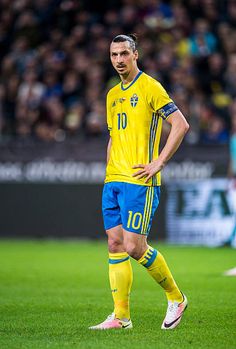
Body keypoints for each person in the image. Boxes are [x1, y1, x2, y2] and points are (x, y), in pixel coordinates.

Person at [89, 34, 189, 331]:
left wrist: (159, 162)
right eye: (113, 55)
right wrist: (109, 170)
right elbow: (113, 136)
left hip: (140, 180)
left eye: (123, 54)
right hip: (114, 180)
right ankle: (121, 317)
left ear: (135, 55)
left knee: (134, 246)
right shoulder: (111, 95)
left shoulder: (150, 86)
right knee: (115, 243)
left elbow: (181, 124)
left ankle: (176, 297)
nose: (118, 60)